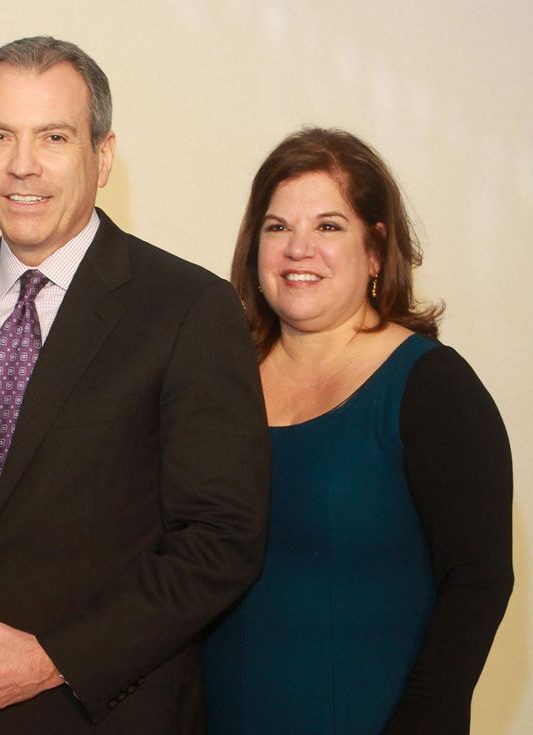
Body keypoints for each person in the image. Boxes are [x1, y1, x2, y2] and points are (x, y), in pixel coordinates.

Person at [0, 36, 270, 734]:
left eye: (53, 137)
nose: (22, 164)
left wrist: (54, 659)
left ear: (102, 156)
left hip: (115, 715)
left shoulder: (187, 309)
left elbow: (220, 539)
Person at [201, 128, 513, 734]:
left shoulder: (433, 387)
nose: (298, 249)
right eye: (277, 227)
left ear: (375, 250)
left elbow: (478, 581)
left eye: (328, 226)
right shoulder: (215, 381)